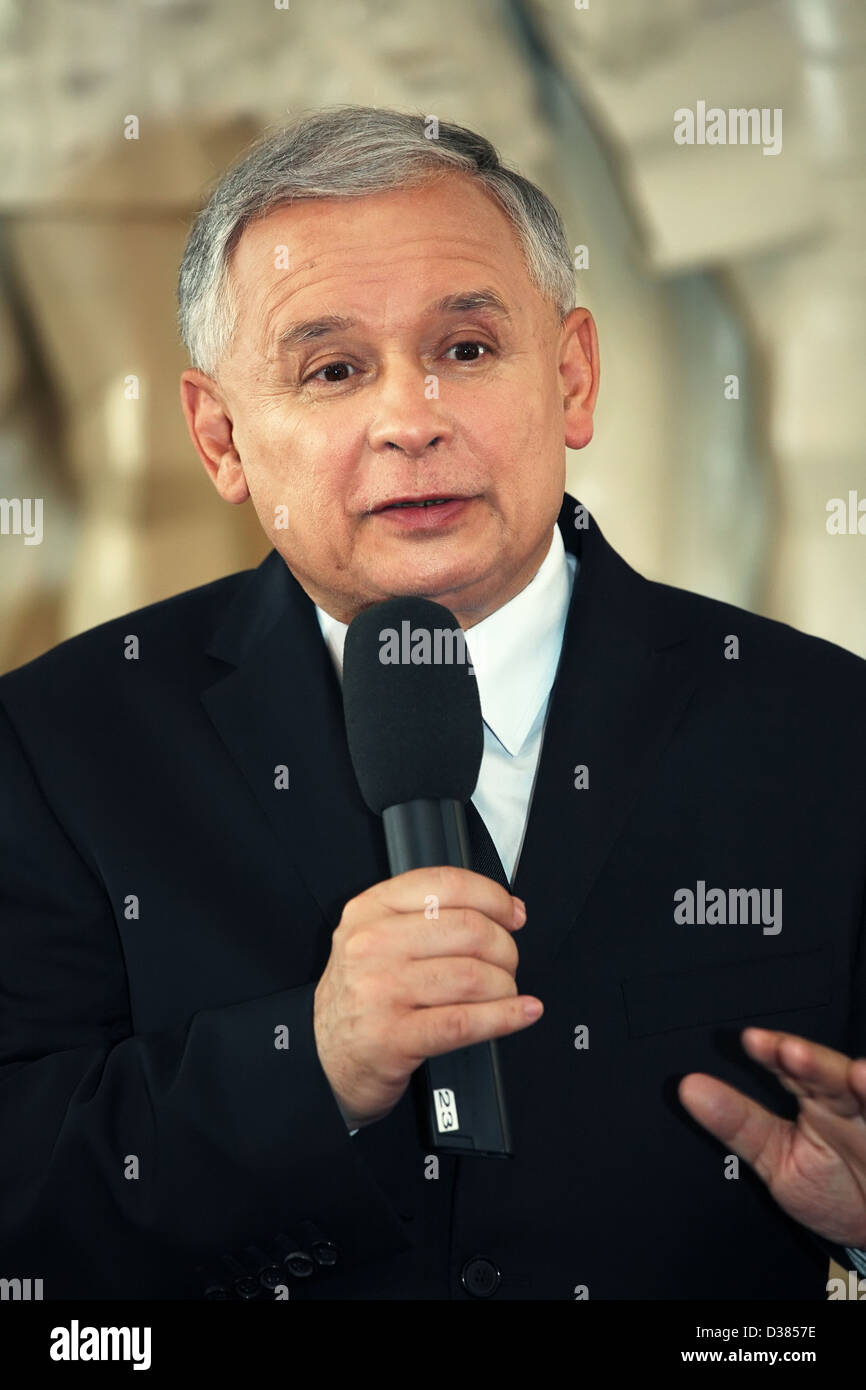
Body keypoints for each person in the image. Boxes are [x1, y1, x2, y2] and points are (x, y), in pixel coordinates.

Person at [1, 105, 864, 1301]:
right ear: (220, 437)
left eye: (465, 349)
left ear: (570, 377)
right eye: (333, 369)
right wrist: (310, 1060)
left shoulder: (823, 726)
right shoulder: (56, 745)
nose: (410, 420)